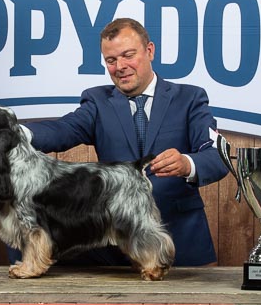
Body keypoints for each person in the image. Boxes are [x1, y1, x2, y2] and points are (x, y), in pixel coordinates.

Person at [24, 17, 227, 267]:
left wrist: (187, 163)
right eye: (111, 60)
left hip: (182, 246)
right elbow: (63, 129)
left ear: (149, 51)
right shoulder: (97, 101)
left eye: (128, 55)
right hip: (114, 251)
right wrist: (16, 133)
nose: (120, 66)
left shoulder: (190, 98)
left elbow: (217, 156)